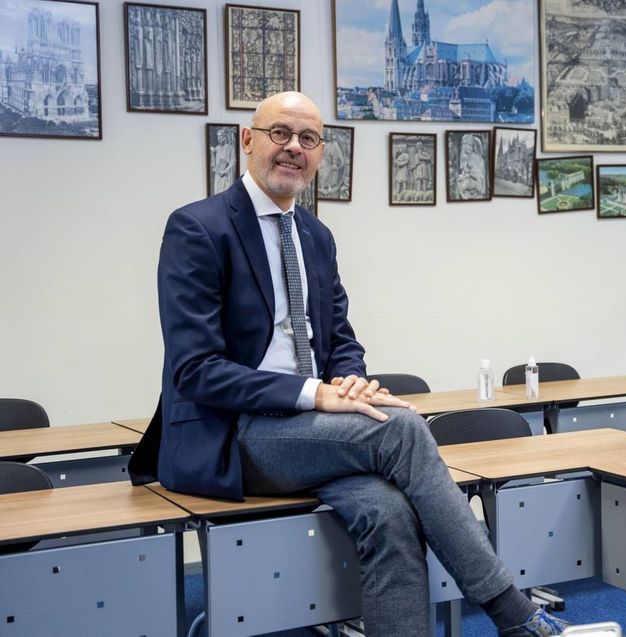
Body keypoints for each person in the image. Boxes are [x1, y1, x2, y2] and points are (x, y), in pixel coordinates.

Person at [128, 91, 567, 637]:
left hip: (311, 435)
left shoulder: (315, 234)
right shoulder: (198, 227)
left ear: (320, 153)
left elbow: (339, 337)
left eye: (308, 139)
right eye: (279, 134)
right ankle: (515, 617)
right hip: (233, 436)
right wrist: (317, 395)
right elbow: (194, 371)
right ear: (247, 141)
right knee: (402, 428)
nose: (293, 148)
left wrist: (351, 378)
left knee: (392, 516)